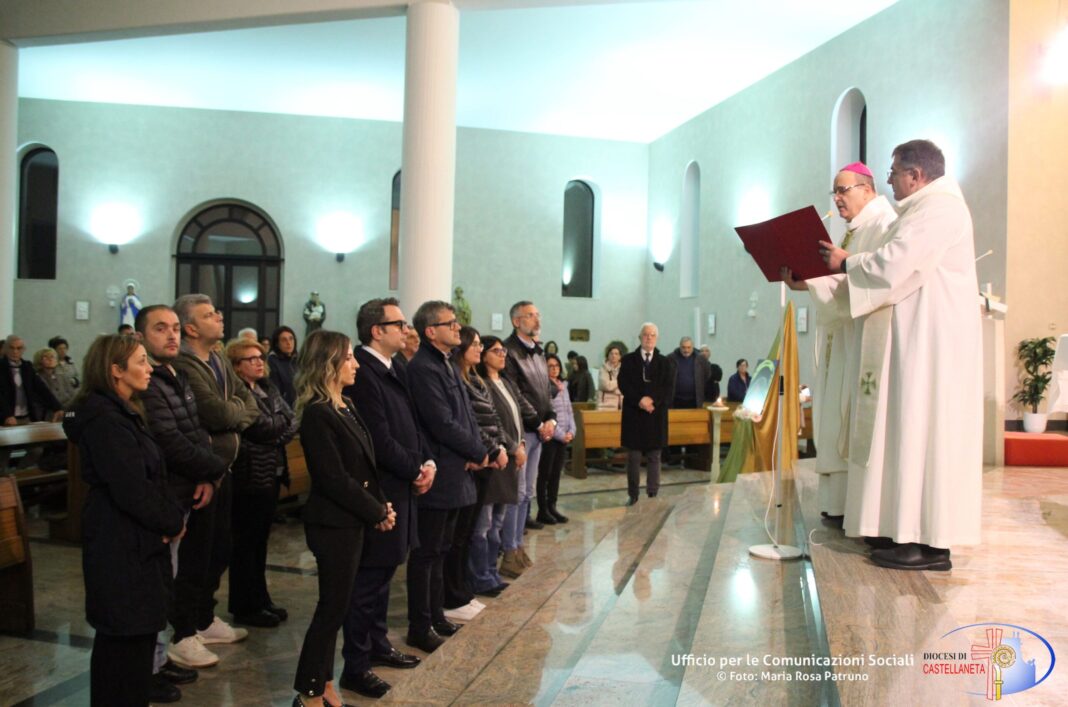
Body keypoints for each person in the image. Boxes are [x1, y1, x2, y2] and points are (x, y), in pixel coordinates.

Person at [820, 139, 982, 571]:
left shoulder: (940, 208)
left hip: (932, 346)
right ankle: (911, 534)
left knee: (925, 435)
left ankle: (931, 544)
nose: (888, 179)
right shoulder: (924, 209)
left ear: (915, 175)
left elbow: (896, 262)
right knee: (911, 436)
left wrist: (845, 264)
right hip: (917, 341)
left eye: (893, 172)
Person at [63, 334, 186, 707]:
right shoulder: (105, 421)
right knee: (123, 645)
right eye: (141, 361)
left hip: (135, 541)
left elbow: (151, 475)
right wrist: (170, 521)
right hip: (121, 544)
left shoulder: (122, 412)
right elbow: (132, 487)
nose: (149, 369)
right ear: (115, 370)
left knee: (136, 643)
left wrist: (169, 518)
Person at [782, 160, 897, 527]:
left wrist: (819, 281)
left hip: (861, 342)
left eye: (842, 190)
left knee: (849, 419)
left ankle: (854, 508)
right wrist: (807, 282)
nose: (837, 198)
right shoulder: (854, 231)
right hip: (842, 339)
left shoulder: (884, 225)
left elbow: (872, 283)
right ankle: (837, 504)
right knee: (833, 418)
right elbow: (842, 280)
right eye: (834, 191)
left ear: (867, 188)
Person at [291, 329, 395, 707]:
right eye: (348, 357)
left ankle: (326, 683)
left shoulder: (345, 404)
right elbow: (334, 478)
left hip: (352, 521)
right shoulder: (318, 414)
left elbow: (367, 464)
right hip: (332, 523)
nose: (355, 364)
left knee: (339, 606)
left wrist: (381, 504)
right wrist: (376, 510)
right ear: (329, 364)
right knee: (330, 608)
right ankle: (308, 692)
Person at [338, 298, 433, 700]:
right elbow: (378, 439)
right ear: (377, 330)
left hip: (402, 485)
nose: (406, 330)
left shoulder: (394, 368)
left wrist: (425, 462)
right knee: (368, 580)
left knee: (383, 575)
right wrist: (415, 468)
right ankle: (356, 666)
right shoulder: (363, 371)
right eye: (399, 323)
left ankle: (377, 644)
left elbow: (412, 424)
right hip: (381, 489)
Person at [136, 304, 229, 690]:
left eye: (175, 328)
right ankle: (150, 665)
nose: (172, 335)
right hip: (166, 493)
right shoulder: (151, 381)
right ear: (140, 337)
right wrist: (213, 469)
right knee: (157, 584)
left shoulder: (175, 373)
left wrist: (205, 475)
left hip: (187, 487)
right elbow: (169, 438)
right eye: (161, 329)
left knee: (172, 576)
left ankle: (158, 659)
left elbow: (194, 431)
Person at [171, 294, 259, 653]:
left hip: (225, 470)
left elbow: (248, 403)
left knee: (220, 548)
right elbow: (216, 414)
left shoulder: (220, 360)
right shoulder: (185, 364)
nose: (219, 317)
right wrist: (232, 414)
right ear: (191, 327)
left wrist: (232, 412)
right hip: (200, 474)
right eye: (209, 315)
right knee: (196, 553)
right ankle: (184, 629)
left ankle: (205, 619)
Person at [405, 301, 488, 654]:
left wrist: (477, 448)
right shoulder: (423, 368)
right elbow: (441, 422)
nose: (458, 328)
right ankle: (420, 625)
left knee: (442, 550)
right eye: (450, 323)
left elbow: (465, 413)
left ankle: (437, 614)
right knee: (426, 553)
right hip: (440, 472)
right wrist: (476, 451)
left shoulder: (446, 363)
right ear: (431, 331)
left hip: (457, 470)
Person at [225, 339, 298, 628]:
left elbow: (290, 420)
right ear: (235, 366)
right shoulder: (238, 393)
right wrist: (275, 430)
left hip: (272, 471)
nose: (258, 362)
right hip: (249, 475)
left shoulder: (267, 387)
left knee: (260, 543)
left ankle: (261, 599)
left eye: (259, 357)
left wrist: (274, 433)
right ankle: (245, 606)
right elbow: (259, 427)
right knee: (245, 544)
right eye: (249, 358)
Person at [453, 327, 511, 592]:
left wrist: (502, 446)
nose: (478, 348)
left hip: (491, 455)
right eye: (474, 344)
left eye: (479, 344)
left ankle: (488, 573)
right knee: (480, 526)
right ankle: (477, 577)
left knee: (493, 521)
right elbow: (471, 424)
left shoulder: (476, 379)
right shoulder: (460, 380)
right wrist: (490, 450)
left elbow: (495, 419)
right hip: (478, 459)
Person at [479, 336, 539, 587]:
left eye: (503, 350)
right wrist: (513, 448)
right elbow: (494, 422)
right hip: (498, 456)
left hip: (514, 451)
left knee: (501, 518)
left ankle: (494, 568)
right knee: (487, 523)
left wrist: (522, 443)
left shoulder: (504, 381)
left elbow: (517, 416)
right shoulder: (482, 384)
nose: (502, 354)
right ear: (483, 356)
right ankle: (484, 574)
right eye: (496, 351)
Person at [502, 301, 557, 537]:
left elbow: (546, 390)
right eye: (530, 315)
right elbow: (515, 393)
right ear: (516, 321)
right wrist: (537, 422)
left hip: (539, 429)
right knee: (517, 491)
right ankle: (509, 545)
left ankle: (517, 542)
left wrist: (551, 419)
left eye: (538, 314)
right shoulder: (509, 351)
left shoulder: (538, 350)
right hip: (523, 430)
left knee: (528, 492)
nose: (537, 320)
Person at [617, 323, 675, 506]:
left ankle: (652, 493)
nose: (648, 338)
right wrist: (640, 400)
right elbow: (624, 384)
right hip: (634, 414)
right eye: (645, 335)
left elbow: (668, 388)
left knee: (654, 457)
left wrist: (652, 401)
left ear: (656, 338)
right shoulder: (628, 360)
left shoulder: (665, 362)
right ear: (640, 337)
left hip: (655, 415)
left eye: (652, 335)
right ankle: (633, 494)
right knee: (633, 457)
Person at [536, 354, 575, 525]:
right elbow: (547, 413)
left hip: (563, 438)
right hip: (551, 437)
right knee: (545, 474)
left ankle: (552, 506)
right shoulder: (543, 386)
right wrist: (560, 434)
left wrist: (572, 431)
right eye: (550, 366)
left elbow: (569, 411)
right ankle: (543, 510)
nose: (554, 368)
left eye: (556, 365)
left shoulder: (564, 386)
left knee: (556, 476)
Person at [1, 334, 62, 425]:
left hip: (27, 416)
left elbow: (41, 388)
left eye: (19, 348)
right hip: (6, 418)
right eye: (12, 348)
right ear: (6, 349)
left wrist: (57, 408)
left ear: (23, 350)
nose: (15, 351)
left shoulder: (27, 367)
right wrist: (6, 415)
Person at [668, 337, 712, 409]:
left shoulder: (700, 359)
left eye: (689, 347)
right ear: (680, 346)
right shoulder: (671, 358)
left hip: (695, 401)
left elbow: (707, 374)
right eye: (684, 347)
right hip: (676, 400)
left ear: (692, 347)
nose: (686, 350)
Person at [268, 326, 299, 407]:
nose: (288, 343)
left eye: (291, 339)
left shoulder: (299, 360)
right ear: (277, 344)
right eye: (284, 340)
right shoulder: (272, 361)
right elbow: (275, 391)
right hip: (285, 407)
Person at [598, 343, 624, 410]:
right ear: (608, 356)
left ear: (620, 356)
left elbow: (627, 387)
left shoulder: (625, 369)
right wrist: (620, 382)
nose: (613, 356)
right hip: (605, 406)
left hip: (621, 405)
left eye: (616, 354)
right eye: (611, 353)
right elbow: (607, 386)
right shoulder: (603, 369)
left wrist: (613, 386)